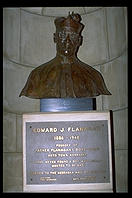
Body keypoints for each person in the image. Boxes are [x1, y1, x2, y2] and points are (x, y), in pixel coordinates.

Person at [19, 12, 111, 99]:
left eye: (73, 36)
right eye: (62, 35)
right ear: (55, 38)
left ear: (79, 41)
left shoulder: (93, 76)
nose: (67, 41)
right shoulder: (37, 75)